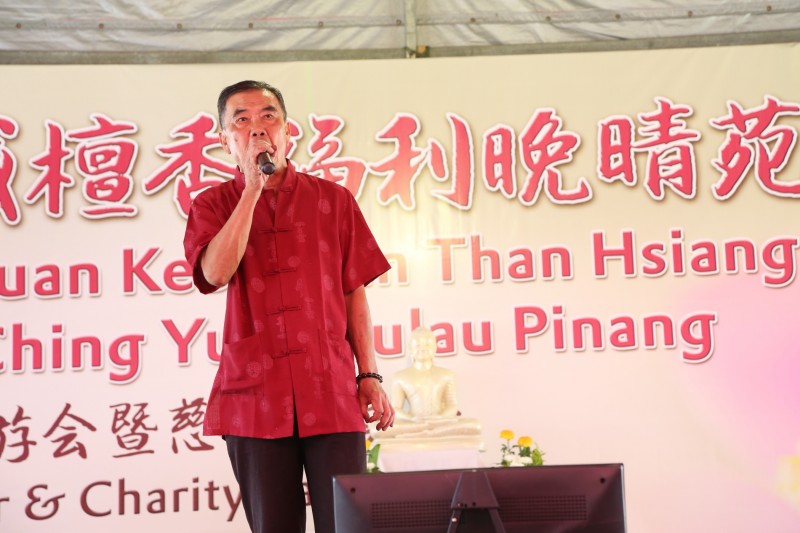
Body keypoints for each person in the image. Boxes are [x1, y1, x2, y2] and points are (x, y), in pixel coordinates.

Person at [183, 80, 394, 533]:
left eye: (268, 116)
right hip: (253, 397)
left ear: (287, 129)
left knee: (348, 524)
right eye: (242, 120)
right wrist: (251, 190)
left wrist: (369, 375)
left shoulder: (332, 200)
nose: (257, 128)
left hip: (331, 389)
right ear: (224, 140)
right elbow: (215, 273)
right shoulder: (212, 204)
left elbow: (354, 292)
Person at [372, 326, 481, 443]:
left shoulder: (446, 374)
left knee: (475, 425)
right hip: (413, 423)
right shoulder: (400, 377)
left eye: (427, 345)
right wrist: (412, 419)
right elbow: (396, 408)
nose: (423, 348)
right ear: (410, 348)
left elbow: (452, 405)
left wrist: (440, 418)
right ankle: (429, 432)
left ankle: (424, 432)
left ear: (435, 347)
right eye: (418, 345)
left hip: (439, 423)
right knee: (377, 430)